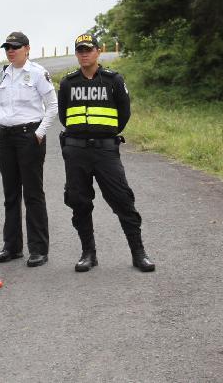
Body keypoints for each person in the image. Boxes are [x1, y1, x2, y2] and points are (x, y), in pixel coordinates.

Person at [58, 33, 154, 273]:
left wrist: (104, 133)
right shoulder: (68, 83)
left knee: (123, 200)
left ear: (98, 52)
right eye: (80, 50)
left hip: (106, 151)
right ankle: (88, 253)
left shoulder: (113, 80)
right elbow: (63, 116)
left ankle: (138, 253)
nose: (84, 54)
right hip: (76, 151)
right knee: (79, 202)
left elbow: (124, 113)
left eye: (88, 49)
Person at [0, 31, 57, 268]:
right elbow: (0, 105)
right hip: (6, 137)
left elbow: (53, 106)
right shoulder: (4, 73)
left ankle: (39, 250)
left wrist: (39, 133)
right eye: (7, 47)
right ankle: (12, 246)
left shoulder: (38, 73)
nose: (10, 50)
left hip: (29, 136)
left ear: (27, 49)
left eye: (15, 47)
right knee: (10, 194)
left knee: (32, 193)